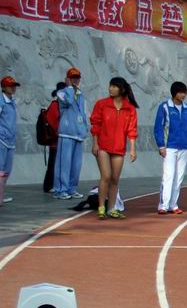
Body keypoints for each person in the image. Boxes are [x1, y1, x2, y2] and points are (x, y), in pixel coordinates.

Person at [88, 77, 139, 219]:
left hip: (119, 148)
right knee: (106, 176)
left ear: (122, 90)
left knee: (115, 179)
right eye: (110, 86)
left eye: (114, 86)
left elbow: (132, 130)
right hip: (103, 146)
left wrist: (133, 149)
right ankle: (101, 207)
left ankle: (112, 208)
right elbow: (95, 124)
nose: (110, 88)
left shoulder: (130, 109)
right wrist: (95, 143)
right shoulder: (102, 104)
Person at [154, 81, 187, 214]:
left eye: (184, 92)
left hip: (184, 147)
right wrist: (161, 145)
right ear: (174, 93)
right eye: (180, 92)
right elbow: (158, 128)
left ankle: (173, 205)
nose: (183, 95)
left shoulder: (186, 108)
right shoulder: (165, 107)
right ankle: (163, 205)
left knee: (179, 177)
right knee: (169, 175)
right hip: (169, 147)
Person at [54, 67, 89, 199]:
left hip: (78, 134)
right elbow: (68, 102)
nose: (75, 80)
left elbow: (83, 113)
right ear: (68, 79)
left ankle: (71, 188)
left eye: (77, 78)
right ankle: (60, 189)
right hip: (67, 133)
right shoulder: (61, 93)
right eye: (73, 77)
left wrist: (85, 128)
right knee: (64, 163)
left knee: (76, 165)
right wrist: (69, 87)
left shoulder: (81, 94)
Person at [37, 82, 64, 193]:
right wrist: (61, 132)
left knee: (56, 163)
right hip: (55, 141)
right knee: (53, 164)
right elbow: (53, 123)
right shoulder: (54, 104)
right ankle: (48, 185)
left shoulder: (59, 104)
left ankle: (54, 184)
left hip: (59, 140)